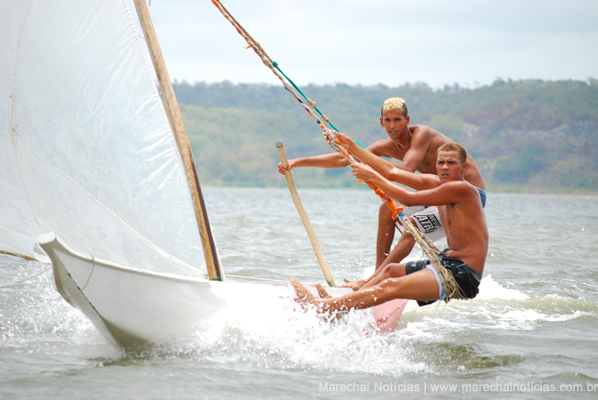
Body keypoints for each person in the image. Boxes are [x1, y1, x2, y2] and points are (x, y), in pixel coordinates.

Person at [278, 97, 486, 271]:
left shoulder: (422, 134)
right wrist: (297, 163)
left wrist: (367, 160)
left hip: (469, 196)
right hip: (439, 194)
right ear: (381, 122)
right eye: (388, 120)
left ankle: (384, 276)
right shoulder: (385, 146)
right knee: (387, 210)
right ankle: (379, 272)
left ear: (407, 120)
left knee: (413, 227)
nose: (393, 125)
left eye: (397, 120)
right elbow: (345, 158)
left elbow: (404, 170)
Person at [291, 141, 488, 315]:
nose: (444, 167)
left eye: (451, 163)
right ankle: (340, 305)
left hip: (462, 274)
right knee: (390, 271)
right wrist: (350, 145)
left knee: (389, 286)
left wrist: (372, 176)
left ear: (463, 168)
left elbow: (407, 198)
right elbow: (391, 172)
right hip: (447, 263)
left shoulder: (462, 189)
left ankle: (322, 307)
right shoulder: (438, 183)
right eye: (440, 163)